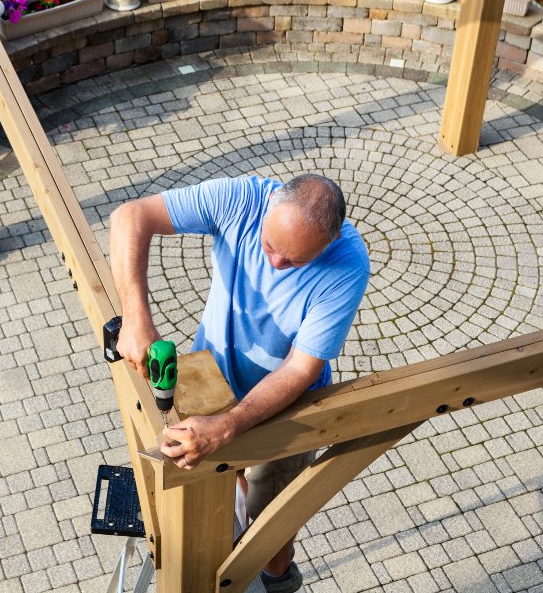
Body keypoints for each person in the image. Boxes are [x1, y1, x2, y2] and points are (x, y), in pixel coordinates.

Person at [109, 173, 370, 592]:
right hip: (210, 380)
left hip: (290, 406)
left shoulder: (348, 265)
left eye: (296, 261)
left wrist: (228, 426)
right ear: (269, 209)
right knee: (226, 479)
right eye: (269, 246)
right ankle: (239, 501)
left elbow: (298, 370)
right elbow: (130, 216)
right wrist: (137, 318)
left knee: (272, 521)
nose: (276, 265)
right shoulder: (243, 199)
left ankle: (279, 578)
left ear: (330, 241)